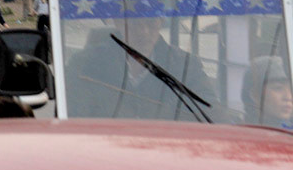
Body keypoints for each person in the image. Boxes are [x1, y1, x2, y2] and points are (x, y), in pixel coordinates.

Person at [64, 16, 216, 121]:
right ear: (119, 22)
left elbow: (210, 112)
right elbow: (72, 118)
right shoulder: (85, 65)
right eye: (135, 23)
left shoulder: (185, 66)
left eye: (150, 23)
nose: (144, 32)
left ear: (160, 22)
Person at [242, 56, 293, 129]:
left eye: (292, 90)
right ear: (255, 95)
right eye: (278, 88)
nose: (288, 97)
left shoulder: (288, 128)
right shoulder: (244, 133)